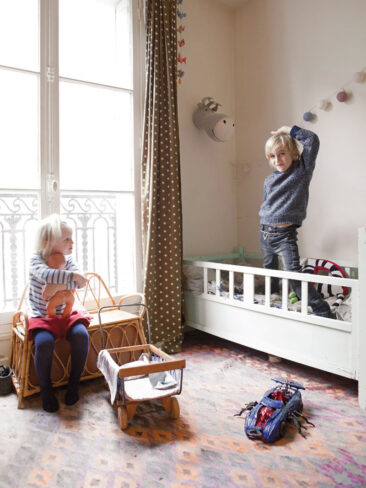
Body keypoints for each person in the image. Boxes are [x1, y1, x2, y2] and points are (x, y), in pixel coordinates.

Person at [259, 125, 332, 319]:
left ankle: (322, 310)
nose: (277, 160)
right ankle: (271, 296)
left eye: (282, 154)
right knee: (270, 269)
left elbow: (312, 140)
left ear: (293, 154)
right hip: (265, 231)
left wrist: (287, 129)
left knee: (294, 275)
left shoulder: (301, 172)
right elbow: (268, 204)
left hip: (284, 235)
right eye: (272, 156)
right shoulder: (269, 180)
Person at [28, 214, 91, 412]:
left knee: (81, 336)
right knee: (44, 343)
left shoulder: (69, 260)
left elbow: (81, 282)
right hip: (42, 314)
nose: (72, 242)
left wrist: (57, 286)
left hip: (67, 311)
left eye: (71, 238)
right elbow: (46, 274)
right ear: (48, 242)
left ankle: (74, 384)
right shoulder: (36, 259)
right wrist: (71, 278)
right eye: (66, 239)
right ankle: (47, 390)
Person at [43, 252, 75, 318]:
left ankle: (53, 318)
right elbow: (72, 286)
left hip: (58, 297)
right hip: (69, 295)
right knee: (70, 304)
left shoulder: (50, 277)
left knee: (49, 307)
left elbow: (46, 290)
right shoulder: (66, 275)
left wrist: (45, 296)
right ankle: (66, 316)